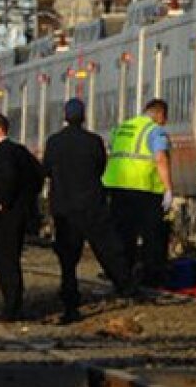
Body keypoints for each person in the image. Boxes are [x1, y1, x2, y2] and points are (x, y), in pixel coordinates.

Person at [43, 98, 136, 323]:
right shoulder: (94, 141)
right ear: (83, 117)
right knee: (108, 247)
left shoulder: (54, 142)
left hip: (65, 207)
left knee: (68, 258)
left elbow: (46, 169)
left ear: (65, 116)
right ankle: (125, 285)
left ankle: (71, 303)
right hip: (92, 203)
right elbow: (100, 166)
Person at [102, 98, 174, 288]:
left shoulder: (121, 128)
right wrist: (168, 189)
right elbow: (160, 159)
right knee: (152, 236)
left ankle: (122, 277)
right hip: (145, 189)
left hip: (117, 188)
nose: (165, 122)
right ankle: (151, 278)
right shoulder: (154, 131)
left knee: (123, 235)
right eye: (165, 118)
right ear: (159, 114)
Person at [0, 112, 44, 321]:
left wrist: (2, 203)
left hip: (5, 217)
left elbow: (7, 179)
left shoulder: (2, 153)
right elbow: (37, 175)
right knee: (11, 259)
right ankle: (14, 303)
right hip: (19, 213)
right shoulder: (20, 151)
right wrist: (27, 200)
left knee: (4, 261)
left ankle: (12, 306)